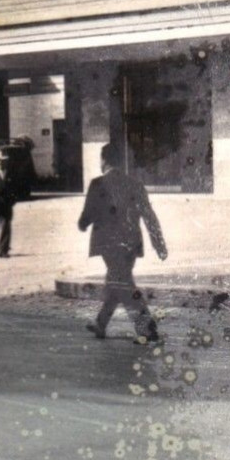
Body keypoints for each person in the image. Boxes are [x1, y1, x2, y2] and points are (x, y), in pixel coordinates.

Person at [78, 141, 169, 341]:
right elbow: (149, 216)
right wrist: (159, 243)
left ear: (104, 161)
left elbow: (88, 215)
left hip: (108, 244)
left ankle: (147, 329)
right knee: (118, 280)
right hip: (130, 243)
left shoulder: (97, 184)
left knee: (122, 283)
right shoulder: (135, 184)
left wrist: (83, 223)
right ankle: (100, 324)